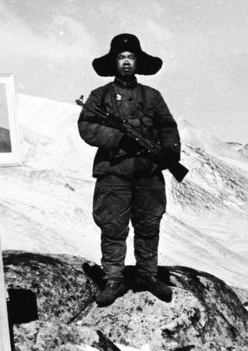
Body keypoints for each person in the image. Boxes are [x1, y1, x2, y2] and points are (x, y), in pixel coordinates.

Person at [78, 33, 181, 306]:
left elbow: (168, 128)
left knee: (149, 226)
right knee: (113, 228)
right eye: (121, 57)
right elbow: (86, 126)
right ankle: (113, 280)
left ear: (138, 62)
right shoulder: (99, 96)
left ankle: (148, 275)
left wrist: (167, 154)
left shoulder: (152, 96)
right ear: (114, 62)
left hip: (148, 173)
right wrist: (117, 138)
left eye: (131, 57)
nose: (126, 62)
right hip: (113, 173)